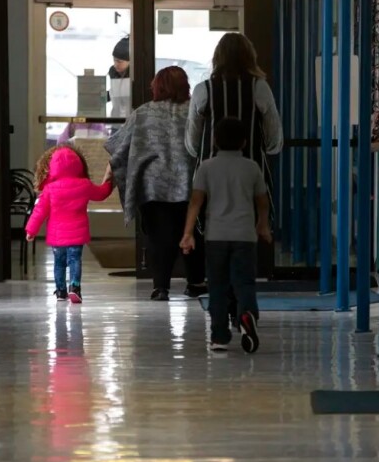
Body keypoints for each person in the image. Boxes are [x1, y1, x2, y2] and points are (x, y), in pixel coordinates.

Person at [185, 32, 283, 319]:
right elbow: (275, 137)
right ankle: (242, 302)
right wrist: (264, 148)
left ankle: (224, 300)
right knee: (244, 237)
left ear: (217, 58)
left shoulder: (204, 89)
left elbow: (192, 140)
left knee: (215, 235)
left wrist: (202, 153)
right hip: (250, 170)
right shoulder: (259, 88)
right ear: (249, 56)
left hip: (210, 174)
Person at [105, 66, 204, 301]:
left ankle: (161, 287)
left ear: (157, 86)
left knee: (160, 238)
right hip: (191, 184)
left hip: (152, 187)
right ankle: (196, 282)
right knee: (194, 233)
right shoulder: (195, 111)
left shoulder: (143, 113)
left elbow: (119, 148)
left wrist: (110, 172)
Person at [180, 117, 272, 354]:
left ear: (215, 141)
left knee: (218, 286)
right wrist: (262, 225)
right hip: (244, 236)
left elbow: (195, 203)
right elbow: (262, 200)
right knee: (244, 283)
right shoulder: (252, 167)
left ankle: (219, 337)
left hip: (216, 237)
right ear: (243, 142)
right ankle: (247, 314)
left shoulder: (207, 167)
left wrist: (188, 233)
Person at [25, 146, 114, 304]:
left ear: (53, 167)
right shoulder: (84, 185)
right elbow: (100, 194)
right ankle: (75, 288)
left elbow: (39, 211)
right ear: (78, 165)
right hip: (77, 234)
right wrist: (109, 182)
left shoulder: (50, 189)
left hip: (57, 235)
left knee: (59, 262)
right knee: (75, 260)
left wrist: (31, 230)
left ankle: (60, 291)